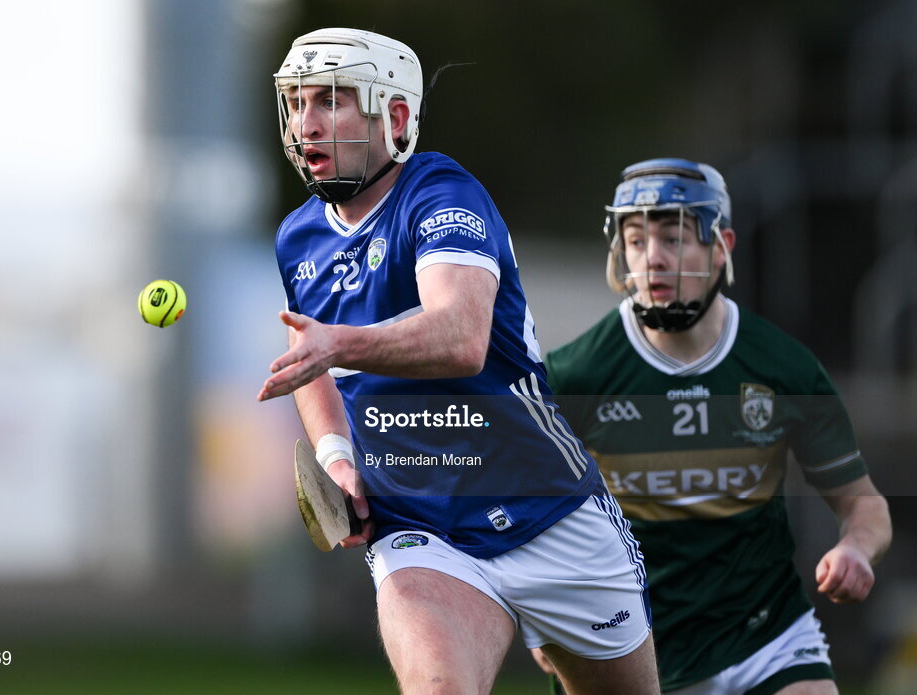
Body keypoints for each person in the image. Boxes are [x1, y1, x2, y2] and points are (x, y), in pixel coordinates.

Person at [257, 27, 660, 695]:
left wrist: (340, 342)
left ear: (395, 117)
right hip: (419, 524)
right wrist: (336, 454)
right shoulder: (298, 237)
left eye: (331, 100)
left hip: (549, 510)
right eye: (298, 102)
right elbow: (312, 360)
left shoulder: (442, 193)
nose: (307, 123)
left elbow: (460, 336)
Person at [535, 158, 892, 694]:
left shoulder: (782, 367)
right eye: (636, 240)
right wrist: (544, 607)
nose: (651, 258)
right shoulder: (576, 376)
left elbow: (865, 504)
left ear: (721, 245)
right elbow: (523, 511)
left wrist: (856, 549)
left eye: (673, 238)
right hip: (632, 647)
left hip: (765, 634)